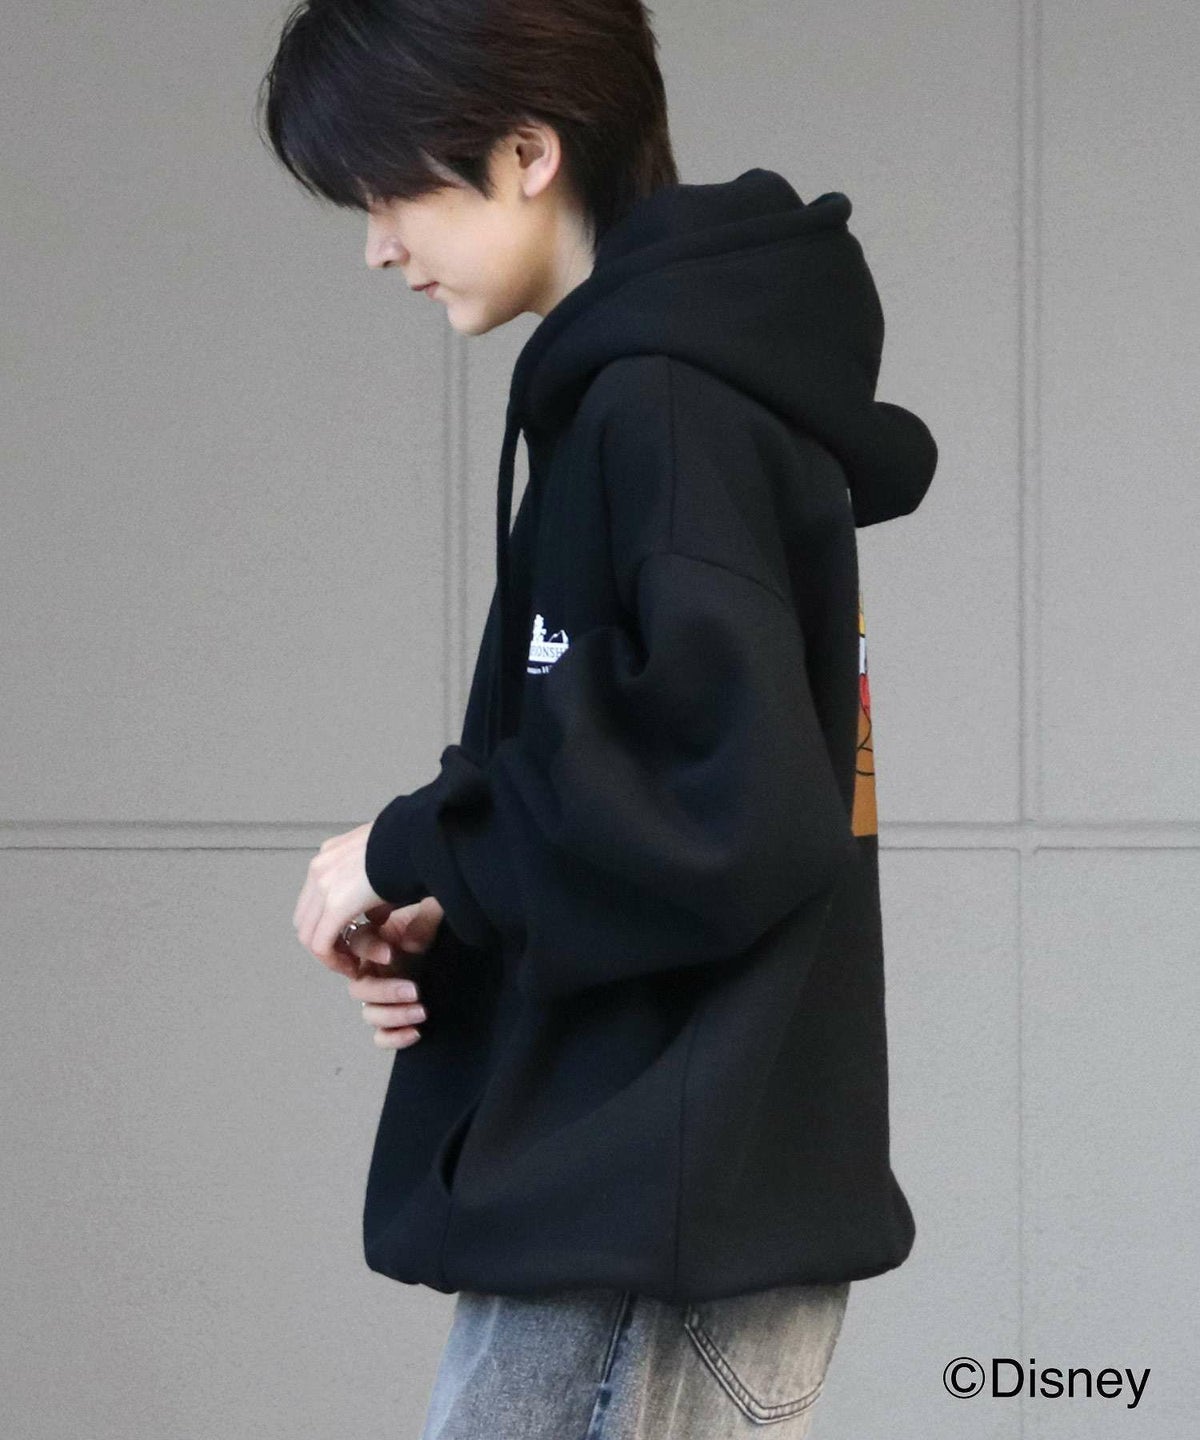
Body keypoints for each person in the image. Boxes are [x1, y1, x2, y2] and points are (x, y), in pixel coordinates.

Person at [261, 2, 938, 1436]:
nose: (377, 244)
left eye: (391, 191)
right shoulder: (657, 394)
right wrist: (462, 891)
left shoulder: (667, 406)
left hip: (647, 1233)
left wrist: (407, 846)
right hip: (645, 1209)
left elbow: (726, 806)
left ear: (526, 152)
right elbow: (668, 777)